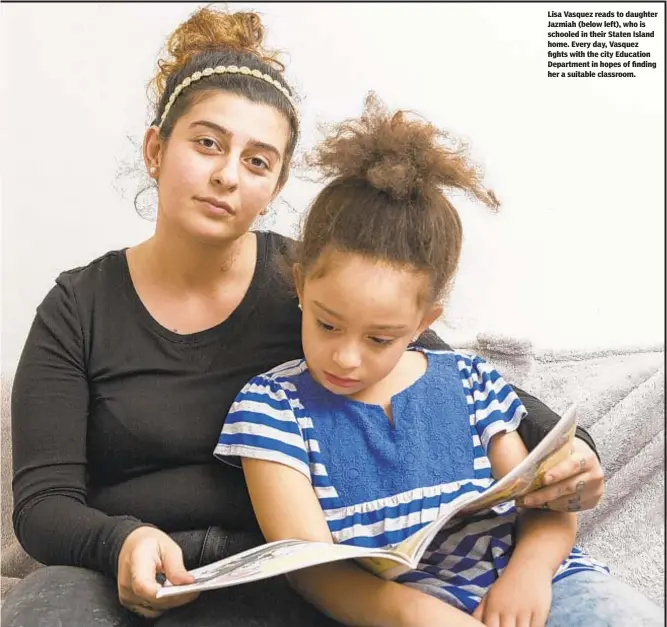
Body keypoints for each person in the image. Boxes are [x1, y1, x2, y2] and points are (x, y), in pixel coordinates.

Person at [3, 7, 606, 627]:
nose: (226, 175)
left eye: (258, 161)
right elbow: (43, 504)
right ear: (157, 148)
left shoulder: (314, 285)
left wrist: (576, 455)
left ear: (276, 183)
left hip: (291, 573)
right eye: (207, 143)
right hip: (123, 575)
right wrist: (121, 542)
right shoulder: (78, 306)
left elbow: (446, 377)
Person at [215, 94, 664, 627]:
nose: (347, 357)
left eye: (382, 339)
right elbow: (312, 571)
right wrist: (418, 616)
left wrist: (529, 573)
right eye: (327, 324)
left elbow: (547, 507)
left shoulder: (471, 384)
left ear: (426, 323)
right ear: (300, 287)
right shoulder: (272, 408)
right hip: (397, 612)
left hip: (543, 588)